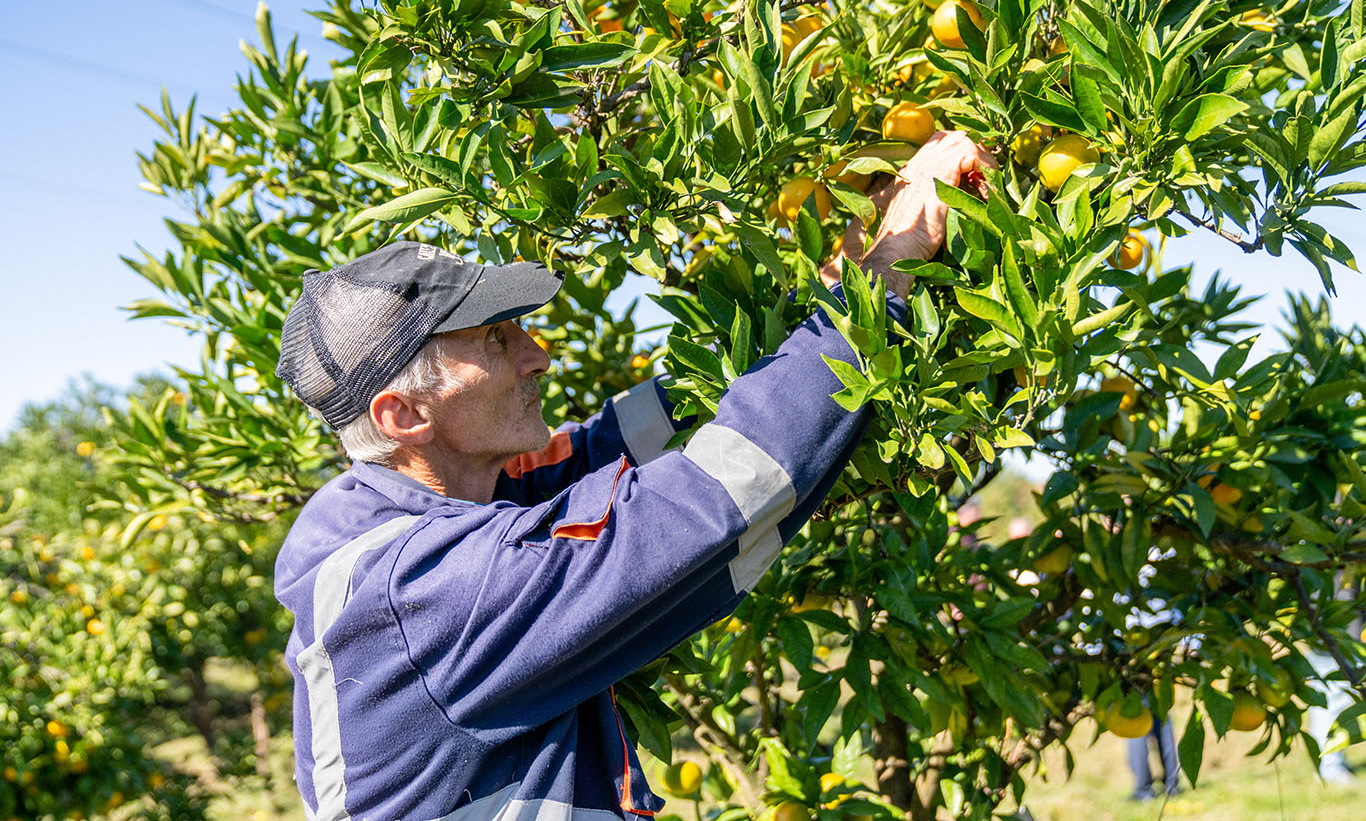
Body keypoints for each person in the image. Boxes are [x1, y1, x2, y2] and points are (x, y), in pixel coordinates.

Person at [272, 133, 994, 821]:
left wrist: (826, 300)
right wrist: (888, 272)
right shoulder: (424, 593)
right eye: (496, 337)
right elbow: (705, 507)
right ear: (403, 417)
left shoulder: (397, 515)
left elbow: (609, 451)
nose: (538, 355)